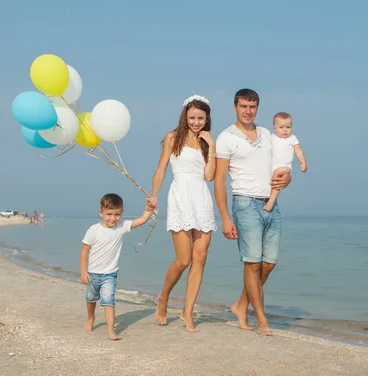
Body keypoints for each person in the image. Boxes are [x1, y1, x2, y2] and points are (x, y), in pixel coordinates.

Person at [214, 88, 291, 336]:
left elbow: (281, 165)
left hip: (270, 203)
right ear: (235, 107)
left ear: (257, 108)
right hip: (245, 203)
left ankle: (240, 305)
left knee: (268, 263)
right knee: (253, 264)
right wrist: (225, 217)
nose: (248, 111)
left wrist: (286, 179)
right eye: (243, 106)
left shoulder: (268, 134)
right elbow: (219, 179)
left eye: (252, 106)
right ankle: (261, 320)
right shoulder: (226, 137)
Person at [150, 94, 217, 332]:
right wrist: (154, 195)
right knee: (183, 261)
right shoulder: (173, 138)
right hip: (179, 197)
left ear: (207, 118)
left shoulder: (208, 142)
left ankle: (188, 312)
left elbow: (209, 176)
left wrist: (213, 147)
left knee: (200, 259)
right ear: (184, 116)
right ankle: (163, 297)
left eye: (200, 118)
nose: (196, 122)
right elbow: (160, 170)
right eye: (192, 117)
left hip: (201, 199)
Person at [79, 193, 156, 340]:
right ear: (100, 213)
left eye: (117, 214)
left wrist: (149, 208)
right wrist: (83, 272)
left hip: (110, 274)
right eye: (109, 214)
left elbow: (141, 220)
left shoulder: (121, 227)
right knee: (91, 299)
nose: (113, 218)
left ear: (122, 213)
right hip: (92, 274)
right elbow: (84, 251)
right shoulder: (93, 230)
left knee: (109, 301)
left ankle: (110, 330)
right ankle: (90, 318)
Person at [263, 112, 308, 212]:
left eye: (288, 127)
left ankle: (272, 200)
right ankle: (268, 198)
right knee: (272, 182)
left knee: (278, 176)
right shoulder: (272, 138)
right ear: (274, 127)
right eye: (281, 127)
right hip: (272, 166)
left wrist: (303, 163)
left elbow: (298, 151)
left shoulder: (292, 139)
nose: (285, 130)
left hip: (285, 166)